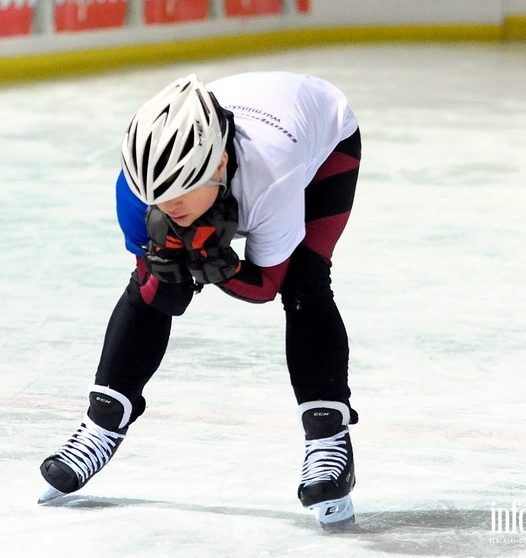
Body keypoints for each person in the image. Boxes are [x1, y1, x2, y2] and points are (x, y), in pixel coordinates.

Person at [39, 71, 362, 528]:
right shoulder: (136, 193)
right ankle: (101, 424)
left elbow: (268, 286)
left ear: (217, 165)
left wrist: (222, 267)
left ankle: (328, 438)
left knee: (305, 286)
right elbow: (153, 291)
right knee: (158, 283)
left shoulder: (270, 175)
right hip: (250, 133)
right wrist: (185, 261)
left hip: (322, 143)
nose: (167, 206)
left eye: (179, 190)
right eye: (157, 195)